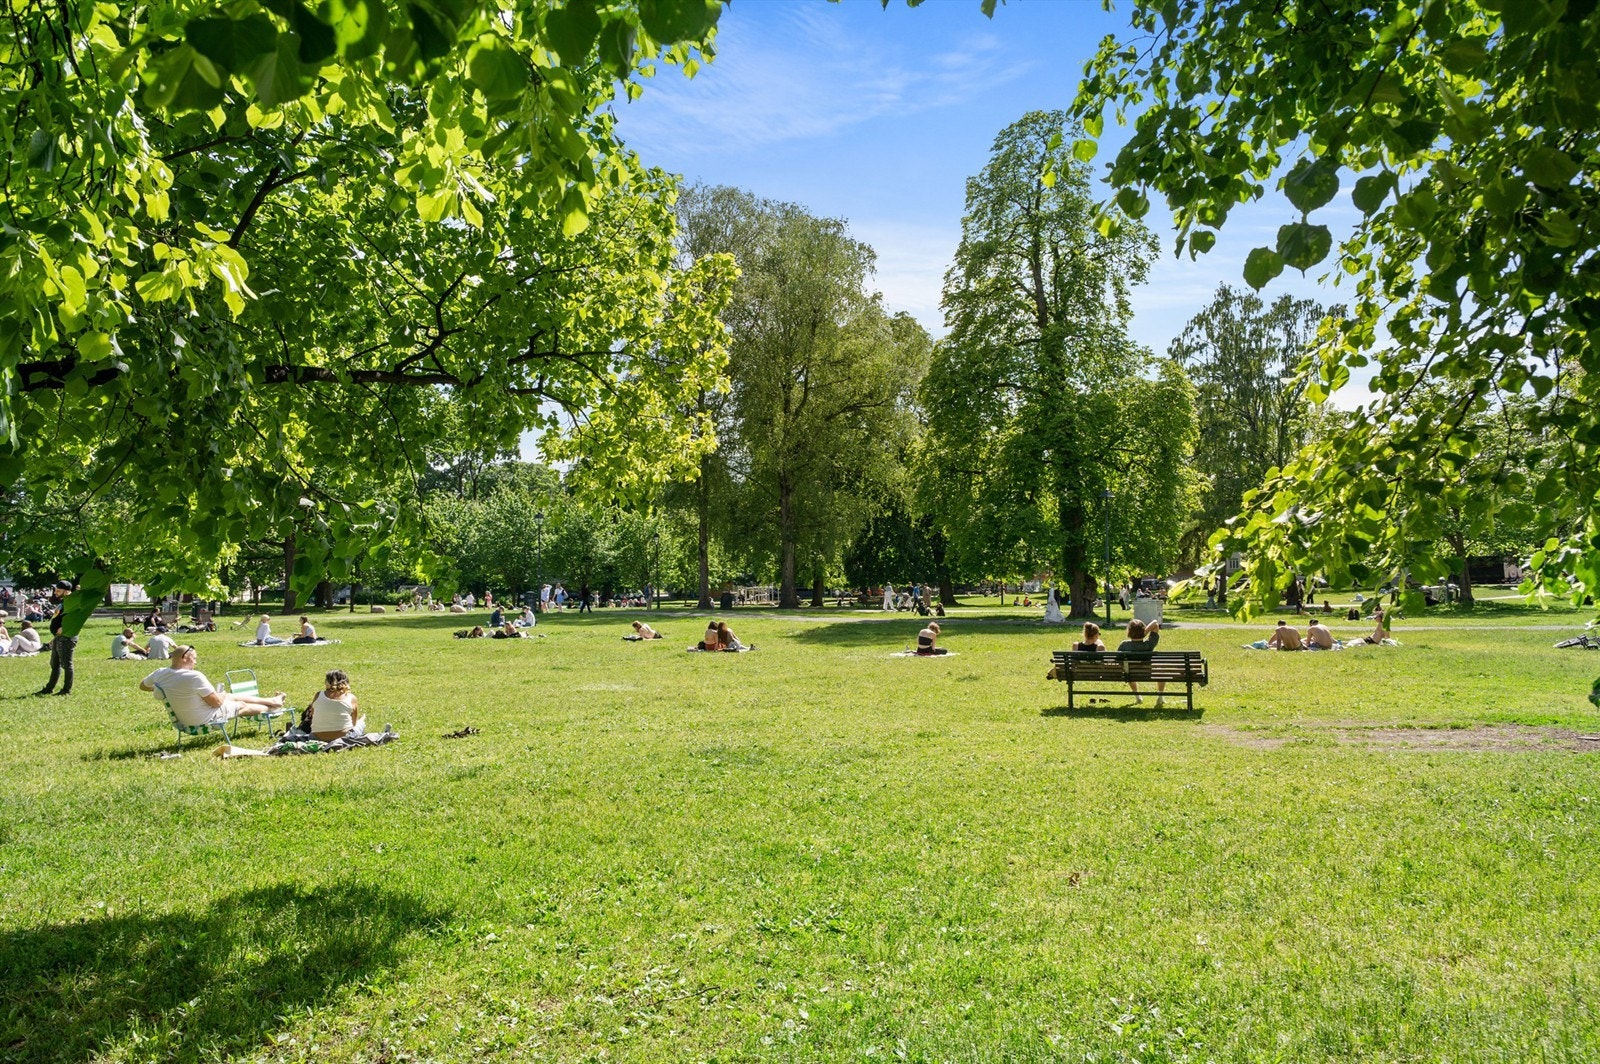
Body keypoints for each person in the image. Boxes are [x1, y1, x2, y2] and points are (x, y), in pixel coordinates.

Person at [140, 644, 286, 729]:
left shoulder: (160, 673)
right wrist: (221, 695)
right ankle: (272, 708)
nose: (195, 662)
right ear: (185, 658)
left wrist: (162, 689)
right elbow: (216, 703)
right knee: (240, 705)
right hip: (202, 720)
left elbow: (143, 686)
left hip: (182, 719)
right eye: (194, 659)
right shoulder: (194, 676)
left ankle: (272, 701)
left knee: (229, 696)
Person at [36, 581, 76, 696]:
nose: (55, 592)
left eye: (58, 590)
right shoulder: (63, 602)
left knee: (67, 665)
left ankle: (66, 690)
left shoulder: (72, 602)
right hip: (58, 637)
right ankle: (49, 688)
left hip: (67, 637)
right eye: (56, 590)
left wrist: (64, 627)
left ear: (67, 591)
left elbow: (76, 617)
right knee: (55, 664)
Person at [1117, 619, 1165, 706]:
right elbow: (1155, 623)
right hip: (1148, 673)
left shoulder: (1124, 645)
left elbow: (1118, 660)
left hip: (1130, 674)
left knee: (1127, 670)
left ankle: (1137, 696)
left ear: (1129, 631)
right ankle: (1160, 696)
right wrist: (1143, 633)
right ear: (1143, 630)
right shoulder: (1149, 644)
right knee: (1161, 672)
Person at [306, 668, 364, 741]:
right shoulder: (351, 698)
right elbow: (354, 723)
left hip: (316, 737)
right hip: (344, 738)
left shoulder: (318, 695)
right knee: (361, 723)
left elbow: (312, 714)